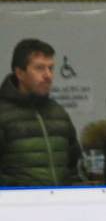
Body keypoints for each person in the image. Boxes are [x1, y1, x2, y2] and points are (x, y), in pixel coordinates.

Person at [0, 38, 80, 187]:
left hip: (62, 200)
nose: (48, 76)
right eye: (39, 68)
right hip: (16, 201)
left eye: (51, 68)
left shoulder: (58, 113)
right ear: (20, 73)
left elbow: (75, 168)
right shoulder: (3, 113)